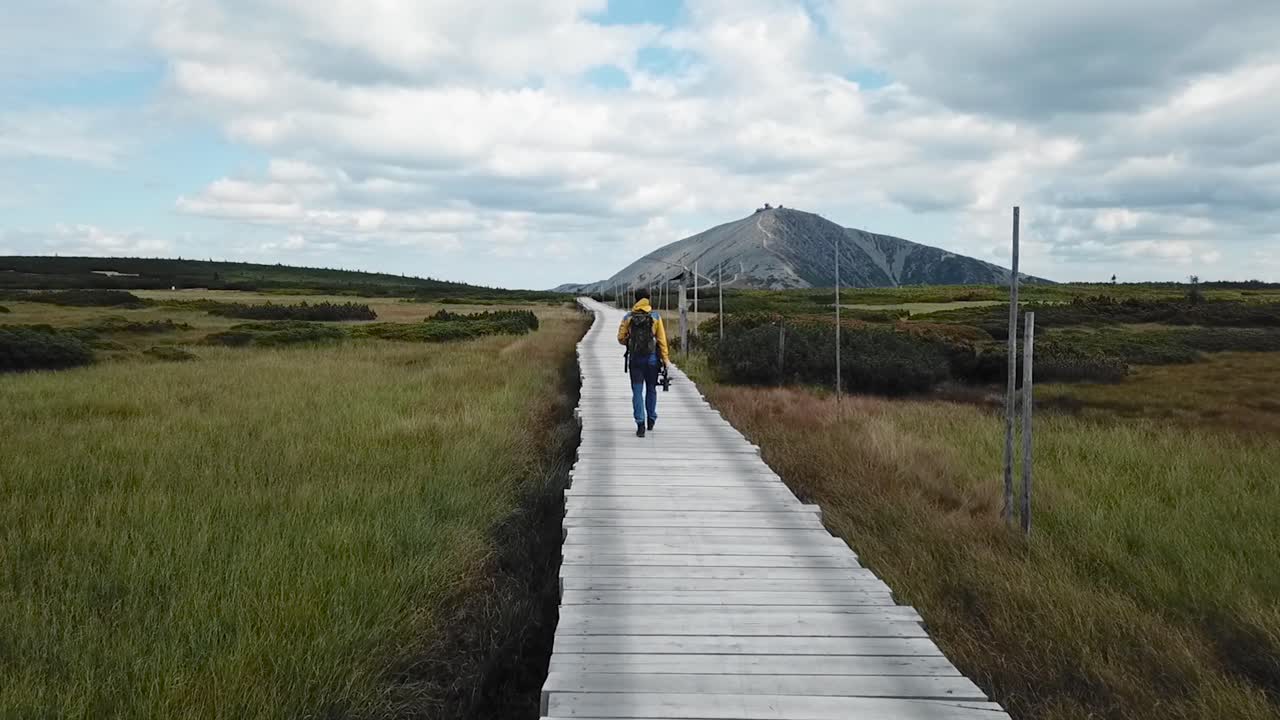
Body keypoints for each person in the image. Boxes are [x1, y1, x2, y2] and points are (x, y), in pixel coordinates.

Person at [617, 288, 670, 437]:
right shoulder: (655, 316)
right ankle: (651, 418)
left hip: (635, 360)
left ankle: (640, 423)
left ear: (636, 299)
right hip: (652, 359)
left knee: (637, 391)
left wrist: (630, 340)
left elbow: (620, 338)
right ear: (647, 299)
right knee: (651, 389)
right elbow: (662, 340)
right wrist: (665, 359)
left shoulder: (629, 317)